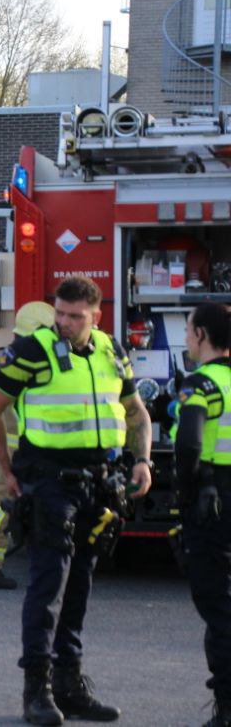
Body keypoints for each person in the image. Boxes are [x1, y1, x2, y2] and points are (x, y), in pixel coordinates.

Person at [0, 276, 152, 726]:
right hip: (51, 483)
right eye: (60, 313)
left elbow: (137, 413)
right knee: (47, 584)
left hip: (100, 483)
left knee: (81, 583)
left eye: (75, 316)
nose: (65, 323)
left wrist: (144, 461)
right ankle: (37, 689)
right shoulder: (33, 350)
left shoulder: (112, 350)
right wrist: (7, 468)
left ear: (96, 316)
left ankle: (70, 686)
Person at [0, 300, 57, 590]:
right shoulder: (25, 361)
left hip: (16, 444)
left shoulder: (14, 357)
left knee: (8, 502)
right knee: (4, 504)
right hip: (18, 446)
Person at [173, 303, 231, 727]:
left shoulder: (203, 383)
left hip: (213, 504)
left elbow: (190, 442)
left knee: (216, 604)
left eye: (189, 329)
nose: (186, 337)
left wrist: (189, 487)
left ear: (202, 335)